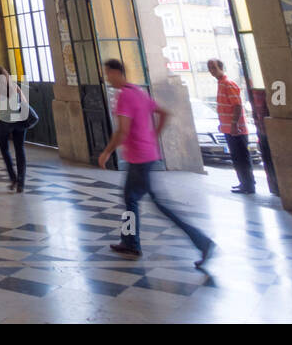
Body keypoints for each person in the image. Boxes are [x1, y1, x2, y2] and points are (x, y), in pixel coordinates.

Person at [98, 59, 215, 268]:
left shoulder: (124, 96)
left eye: (108, 73)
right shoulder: (137, 92)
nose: (107, 78)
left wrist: (107, 151)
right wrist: (153, 136)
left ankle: (201, 241)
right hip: (147, 155)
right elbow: (163, 113)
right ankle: (130, 242)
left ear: (116, 72)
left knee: (153, 203)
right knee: (132, 199)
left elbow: (122, 130)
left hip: (139, 159)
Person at [208, 60, 255, 194]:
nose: (212, 70)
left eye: (214, 67)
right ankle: (243, 183)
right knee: (236, 157)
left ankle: (249, 185)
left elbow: (237, 105)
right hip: (228, 129)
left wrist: (234, 124)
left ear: (221, 67)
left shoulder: (228, 84)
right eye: (210, 68)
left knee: (242, 158)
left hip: (236, 130)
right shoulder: (221, 84)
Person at [0, 64, 28, 193]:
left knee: (5, 150)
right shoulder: (14, 85)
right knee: (20, 149)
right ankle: (21, 183)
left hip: (4, 122)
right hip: (19, 121)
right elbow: (24, 101)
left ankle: (13, 178)